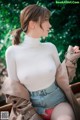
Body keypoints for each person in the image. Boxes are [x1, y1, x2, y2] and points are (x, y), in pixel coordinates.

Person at [3, 4, 80, 120]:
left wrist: (71, 58)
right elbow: (15, 91)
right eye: (46, 21)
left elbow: (63, 78)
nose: (50, 25)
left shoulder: (50, 47)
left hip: (58, 103)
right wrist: (32, 115)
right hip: (30, 110)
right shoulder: (12, 52)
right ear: (32, 24)